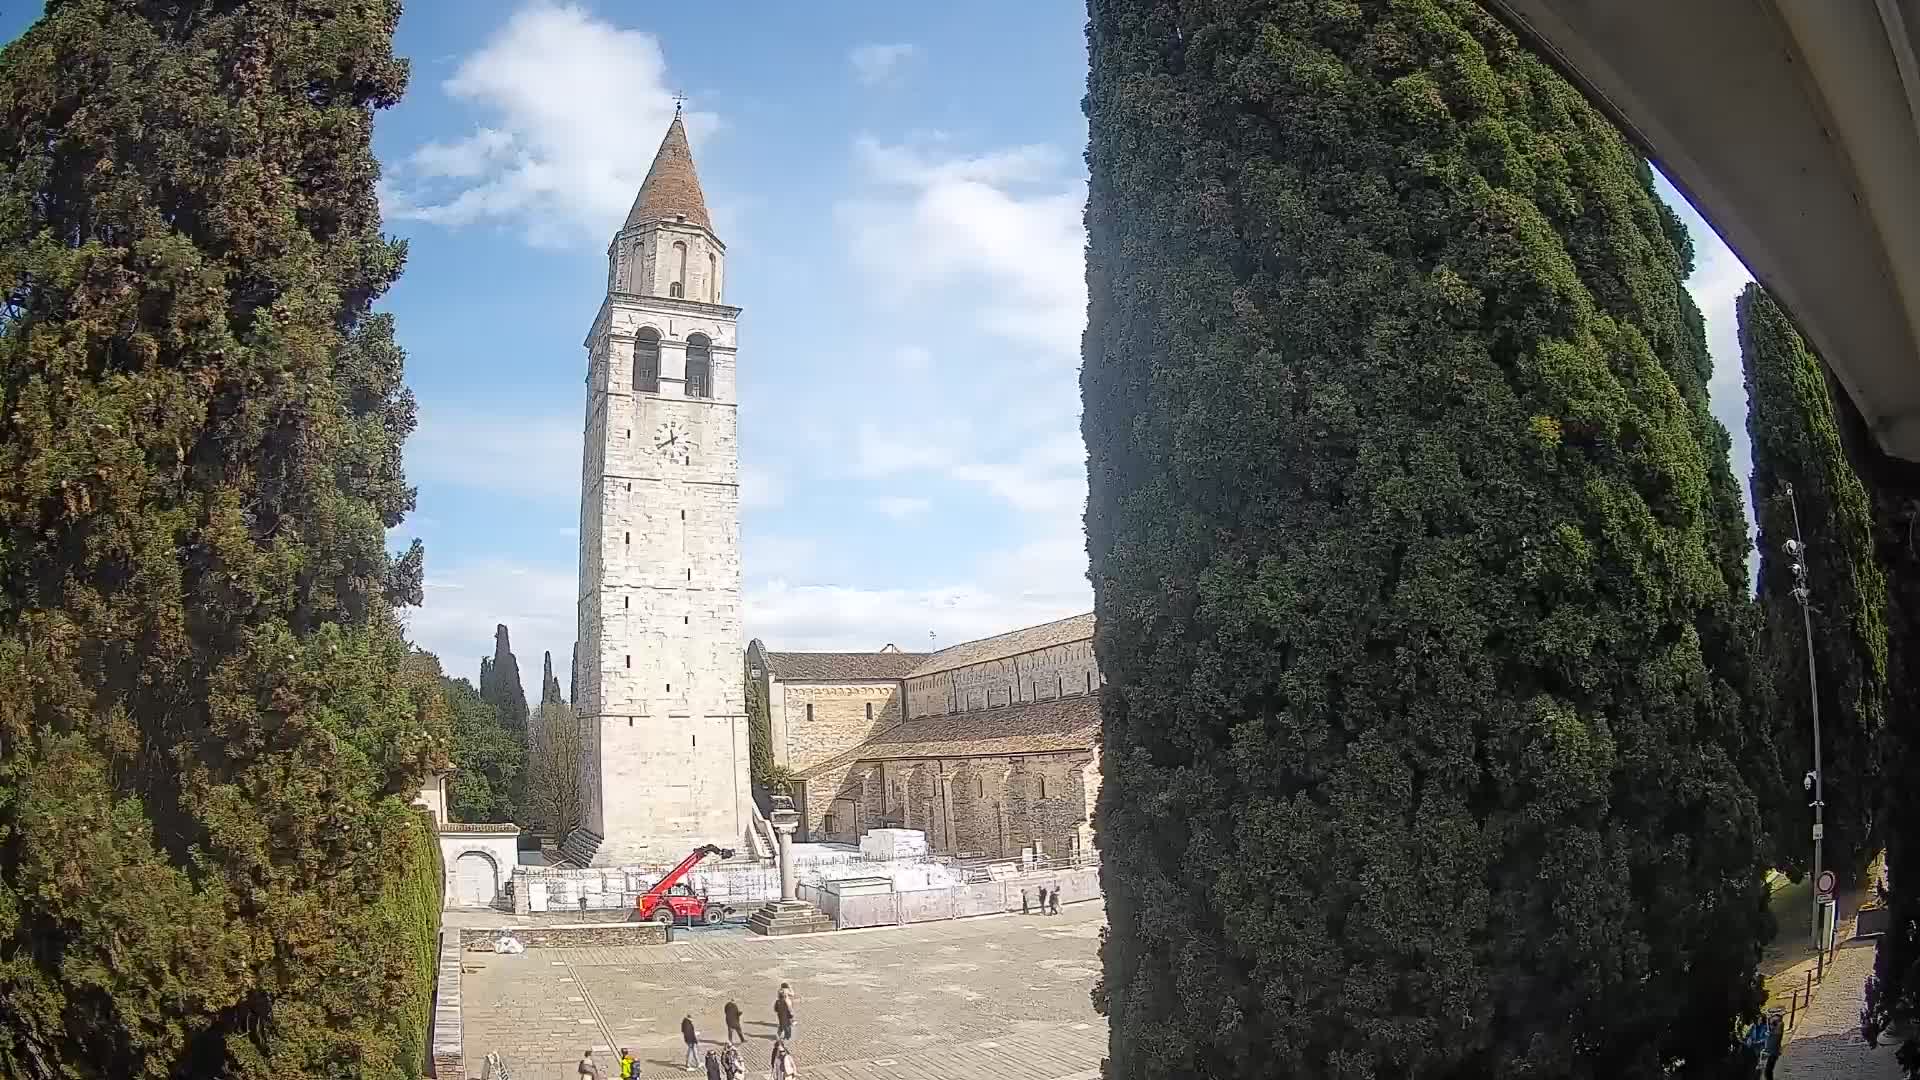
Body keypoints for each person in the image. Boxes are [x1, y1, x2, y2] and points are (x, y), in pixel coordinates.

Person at [1762, 1010, 1784, 1080]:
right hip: (1771, 1052)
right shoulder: (1773, 1031)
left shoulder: (1778, 1029)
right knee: (1767, 1072)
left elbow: (1773, 1029)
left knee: (1767, 1072)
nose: (1770, 1024)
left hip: (1773, 1053)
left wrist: (1769, 1021)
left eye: (1773, 1022)